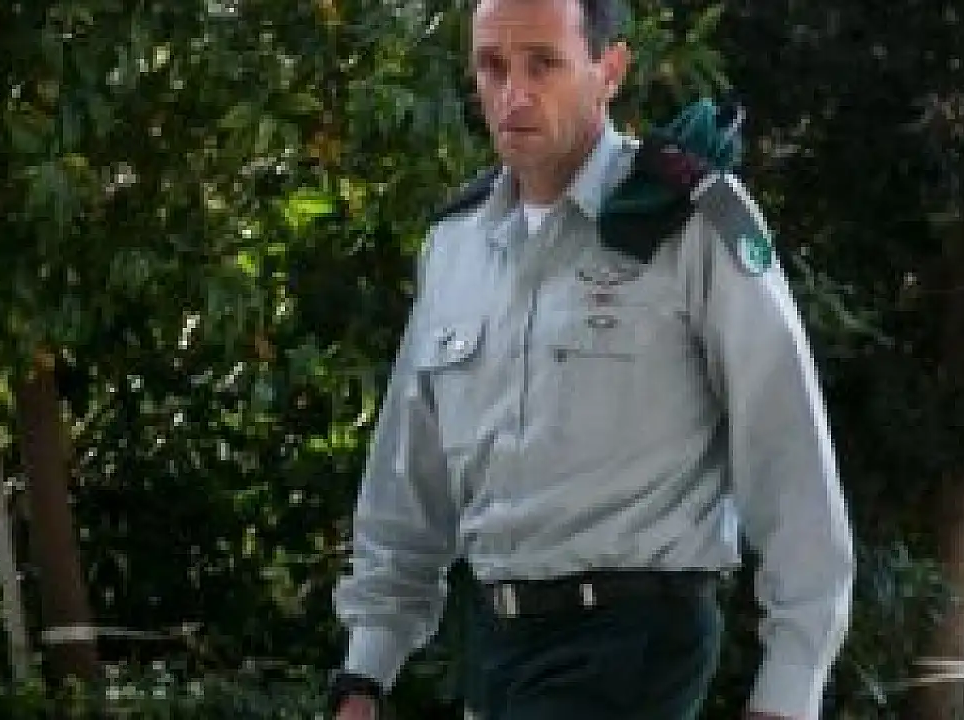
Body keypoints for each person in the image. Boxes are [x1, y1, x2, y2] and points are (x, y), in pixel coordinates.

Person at [329, 0, 854, 718]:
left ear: (609, 69)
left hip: (631, 639)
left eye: (542, 64)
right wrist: (365, 669)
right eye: (492, 66)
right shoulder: (456, 244)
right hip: (495, 644)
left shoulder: (689, 219)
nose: (513, 94)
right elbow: (408, 470)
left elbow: (787, 446)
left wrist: (792, 680)